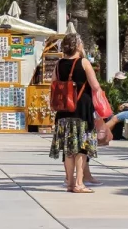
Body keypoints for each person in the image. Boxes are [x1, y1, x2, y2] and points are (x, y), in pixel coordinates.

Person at [49, 34, 101, 194]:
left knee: (68, 149)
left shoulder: (59, 64)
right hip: (82, 111)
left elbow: (53, 84)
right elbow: (95, 86)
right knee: (81, 148)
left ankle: (70, 183)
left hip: (63, 111)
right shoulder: (84, 63)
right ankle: (79, 183)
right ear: (78, 46)